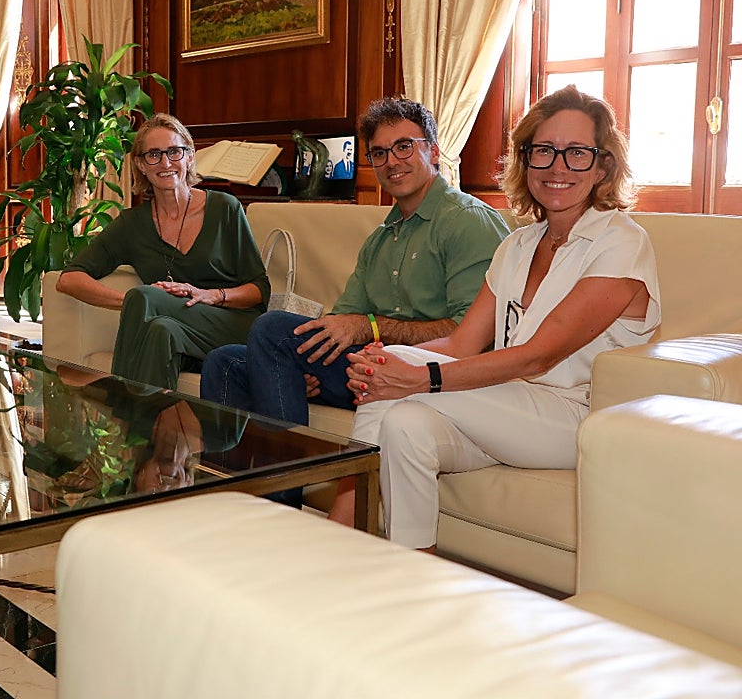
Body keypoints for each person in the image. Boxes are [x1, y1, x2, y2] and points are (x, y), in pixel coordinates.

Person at [342, 85, 660, 549]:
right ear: (525, 160)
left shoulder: (622, 243)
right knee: (402, 423)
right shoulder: (517, 245)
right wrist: (382, 363)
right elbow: (459, 345)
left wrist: (413, 377)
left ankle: (340, 535)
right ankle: (411, 567)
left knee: (402, 390)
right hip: (507, 407)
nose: (557, 167)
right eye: (543, 151)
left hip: (578, 417)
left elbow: (534, 359)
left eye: (576, 153)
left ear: (603, 164)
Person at [200, 97, 510, 428]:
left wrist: (369, 326)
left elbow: (471, 337)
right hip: (367, 368)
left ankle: (285, 480)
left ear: (433, 151)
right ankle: (237, 480)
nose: (392, 161)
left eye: (404, 147)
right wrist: (301, 367)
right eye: (379, 153)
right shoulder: (379, 239)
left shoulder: (467, 221)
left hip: (432, 376)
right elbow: (341, 323)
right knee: (225, 362)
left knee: (271, 328)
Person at [55, 113, 271, 390]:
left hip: (232, 325)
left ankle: (120, 414)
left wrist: (212, 296)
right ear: (141, 165)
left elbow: (259, 290)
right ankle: (150, 430)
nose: (166, 163)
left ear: (190, 157)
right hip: (178, 334)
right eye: (154, 154)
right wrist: (136, 302)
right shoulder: (131, 224)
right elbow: (69, 279)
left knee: (149, 303)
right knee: (160, 330)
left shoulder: (225, 209)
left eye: (174, 152)